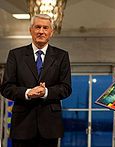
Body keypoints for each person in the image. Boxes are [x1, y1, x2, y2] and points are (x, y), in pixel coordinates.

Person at [0, 14, 72, 147]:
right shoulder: (15, 55)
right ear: (30, 30)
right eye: (37, 27)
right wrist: (28, 93)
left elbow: (66, 88)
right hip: (22, 125)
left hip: (50, 127)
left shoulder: (62, 56)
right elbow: (6, 87)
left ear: (51, 32)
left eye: (45, 28)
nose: (41, 31)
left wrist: (45, 92)